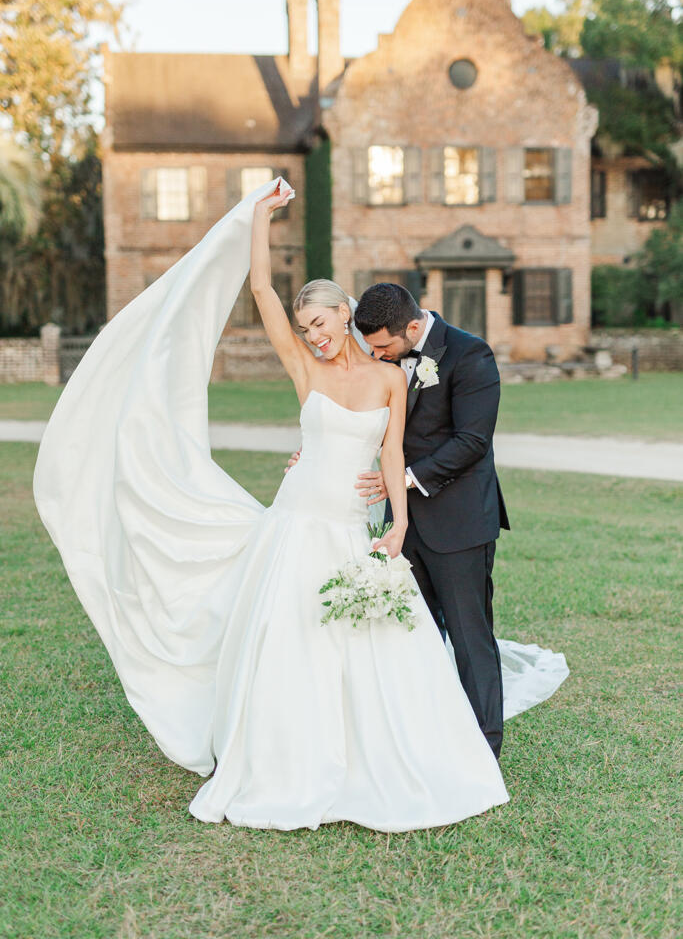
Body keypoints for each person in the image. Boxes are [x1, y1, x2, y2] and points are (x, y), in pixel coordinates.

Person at [33, 177, 566, 833]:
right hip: (292, 524)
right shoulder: (306, 372)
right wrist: (254, 215)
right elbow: (259, 289)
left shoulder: (389, 378)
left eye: (318, 322)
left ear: (345, 314)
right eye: (304, 327)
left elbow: (392, 456)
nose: (312, 335)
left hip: (349, 527)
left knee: (369, 644)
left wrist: (397, 524)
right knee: (286, 640)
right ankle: (284, 756)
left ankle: (405, 751)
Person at [352, 284, 510, 759]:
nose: (375, 355)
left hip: (460, 522)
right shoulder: (384, 358)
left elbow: (472, 440)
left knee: (469, 635)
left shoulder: (470, 354)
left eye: (382, 346)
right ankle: (420, 732)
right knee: (410, 632)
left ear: (414, 327)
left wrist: (404, 478)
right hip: (401, 526)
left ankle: (484, 746)